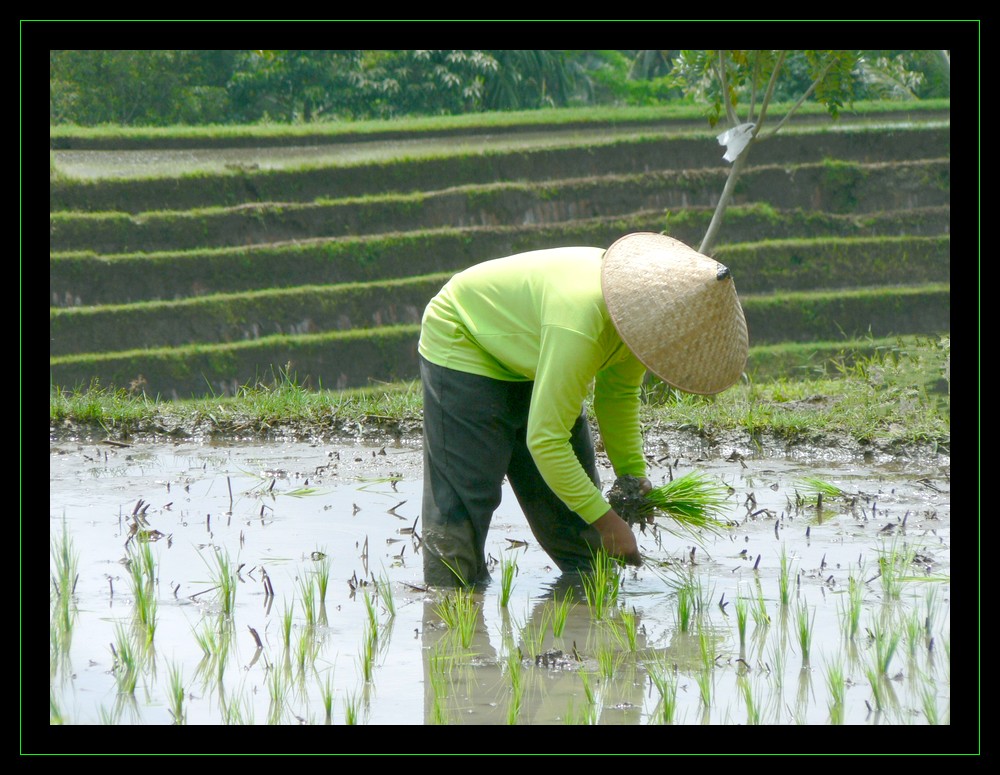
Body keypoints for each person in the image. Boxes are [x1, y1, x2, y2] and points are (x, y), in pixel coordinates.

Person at [417, 232, 748, 587]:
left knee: (582, 536)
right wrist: (609, 522)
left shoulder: (642, 324)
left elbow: (617, 396)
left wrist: (632, 480)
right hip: (467, 337)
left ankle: (584, 618)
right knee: (464, 507)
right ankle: (449, 613)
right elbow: (546, 440)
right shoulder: (581, 318)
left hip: (537, 348)